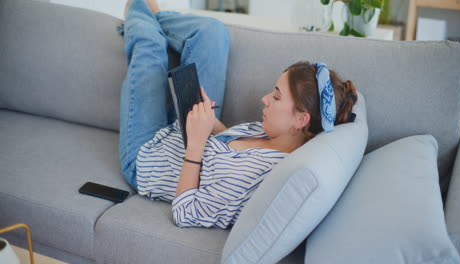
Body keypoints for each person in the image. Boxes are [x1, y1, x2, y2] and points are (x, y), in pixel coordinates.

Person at [118, 0, 358, 229]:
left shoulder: (256, 175)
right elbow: (230, 143)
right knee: (213, 33)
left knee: (150, 47)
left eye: (276, 97)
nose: (264, 99)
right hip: (185, 129)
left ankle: (138, 10)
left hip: (149, 157)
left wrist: (196, 145)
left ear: (300, 120)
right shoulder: (277, 134)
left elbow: (185, 213)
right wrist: (211, 123)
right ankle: (155, 15)